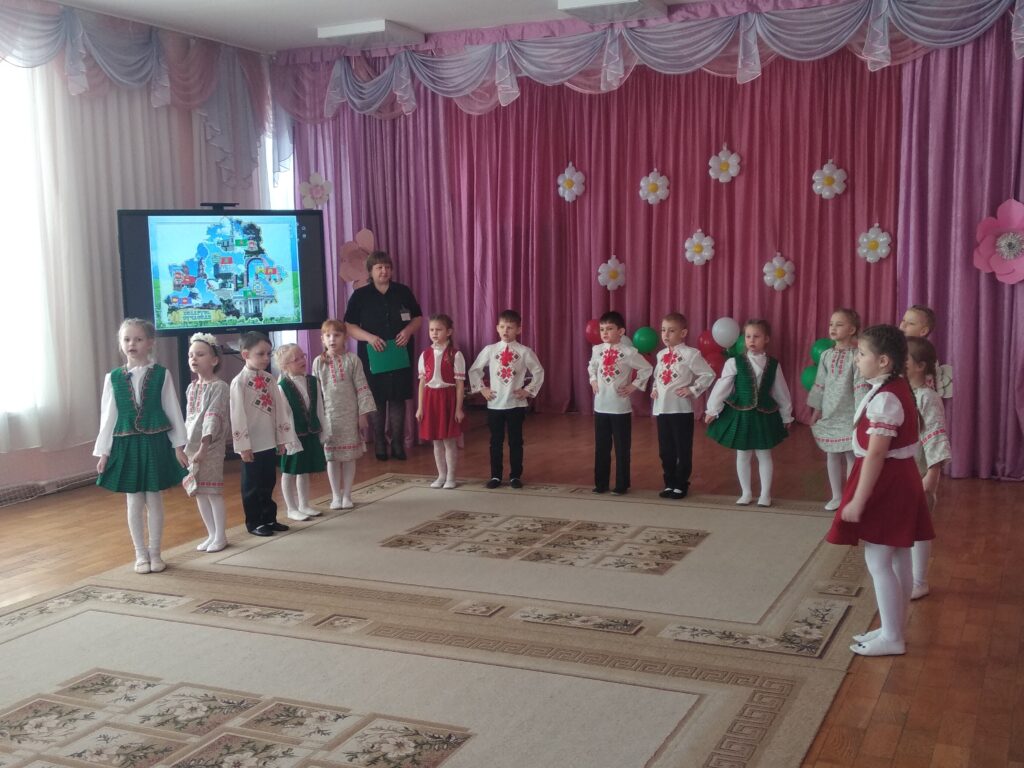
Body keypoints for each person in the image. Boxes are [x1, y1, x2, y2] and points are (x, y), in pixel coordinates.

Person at [826, 325, 933, 657]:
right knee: (898, 556)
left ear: (884, 360)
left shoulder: (886, 398)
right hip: (898, 479)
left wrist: (859, 499)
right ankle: (892, 628)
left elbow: (875, 454)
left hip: (888, 483)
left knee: (878, 560)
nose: (856, 360)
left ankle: (892, 636)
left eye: (861, 354)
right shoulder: (892, 388)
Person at [94, 318, 188, 574]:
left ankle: (155, 552)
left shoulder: (161, 374)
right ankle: (140, 553)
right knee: (134, 500)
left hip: (155, 442)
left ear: (150, 343)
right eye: (126, 339)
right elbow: (108, 417)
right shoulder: (113, 378)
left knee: (154, 498)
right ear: (121, 343)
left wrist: (179, 446)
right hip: (126, 444)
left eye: (138, 339)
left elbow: (172, 409)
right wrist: (104, 452)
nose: (131, 344)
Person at [705, 318, 792, 507]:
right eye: (748, 336)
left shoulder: (773, 364)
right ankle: (746, 492)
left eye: (757, 336)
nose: (752, 340)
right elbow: (723, 386)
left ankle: (765, 494)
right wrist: (713, 408)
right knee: (743, 454)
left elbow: (781, 390)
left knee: (764, 454)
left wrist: (786, 414)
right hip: (741, 414)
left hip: (764, 414)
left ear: (766, 339)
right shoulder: (734, 362)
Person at [344, 251, 423, 461]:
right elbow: (349, 325)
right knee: (377, 398)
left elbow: (417, 318)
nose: (384, 271)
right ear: (370, 271)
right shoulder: (360, 295)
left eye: (387, 267)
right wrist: (369, 338)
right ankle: (379, 441)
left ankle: (397, 442)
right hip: (374, 353)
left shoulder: (403, 291)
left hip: (400, 352)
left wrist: (408, 331)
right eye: (379, 267)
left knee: (398, 398)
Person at [229, 331, 301, 537]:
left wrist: (281, 439)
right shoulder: (239, 382)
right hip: (252, 443)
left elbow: (279, 410)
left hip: (269, 440)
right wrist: (243, 446)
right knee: (252, 485)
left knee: (268, 482)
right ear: (245, 355)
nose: (266, 358)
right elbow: (237, 415)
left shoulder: (270, 379)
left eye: (268, 354)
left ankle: (269, 518)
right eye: (260, 354)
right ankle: (254, 522)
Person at [468, 309, 545, 489]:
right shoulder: (490, 350)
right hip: (495, 404)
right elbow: (475, 370)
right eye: (502, 327)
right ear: (497, 328)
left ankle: (515, 475)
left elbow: (538, 372)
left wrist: (528, 390)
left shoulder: (524, 352)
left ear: (518, 330)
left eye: (510, 327)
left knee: (515, 441)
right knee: (495, 441)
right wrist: (482, 389)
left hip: (515, 404)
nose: (505, 330)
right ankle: (495, 475)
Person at [808, 308, 869, 510]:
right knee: (831, 454)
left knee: (851, 455)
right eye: (831, 324)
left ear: (852, 330)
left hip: (850, 414)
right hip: (830, 413)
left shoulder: (857, 356)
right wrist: (816, 410)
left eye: (839, 324)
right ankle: (836, 495)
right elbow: (820, 383)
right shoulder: (826, 355)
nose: (833, 328)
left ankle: (850, 496)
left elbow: (860, 386)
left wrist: (860, 414)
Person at [905, 336, 952, 601]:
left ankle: (919, 580)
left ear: (921, 366)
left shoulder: (927, 398)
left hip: (919, 472)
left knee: (918, 527)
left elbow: (935, 436)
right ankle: (904, 574)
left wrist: (932, 474)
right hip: (900, 471)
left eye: (905, 359)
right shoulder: (900, 392)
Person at [312, 320, 376, 510]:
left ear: (345, 338)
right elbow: (315, 393)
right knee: (331, 458)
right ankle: (335, 495)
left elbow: (362, 387)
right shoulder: (318, 362)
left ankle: (347, 494)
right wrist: (317, 418)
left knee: (348, 457)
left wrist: (362, 414)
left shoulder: (353, 360)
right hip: (329, 418)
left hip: (350, 416)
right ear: (322, 339)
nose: (332, 339)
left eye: (337, 335)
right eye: (328, 335)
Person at [650, 312, 715, 499]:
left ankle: (681, 484)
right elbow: (657, 376)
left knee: (682, 449)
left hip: (680, 410)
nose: (666, 334)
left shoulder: (691, 354)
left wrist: (692, 389)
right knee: (665, 450)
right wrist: (654, 389)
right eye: (663, 330)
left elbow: (708, 374)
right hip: (662, 409)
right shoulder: (661, 355)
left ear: (683, 333)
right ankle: (669, 482)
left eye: (671, 331)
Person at [588, 311, 653, 495]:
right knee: (601, 447)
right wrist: (593, 380)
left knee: (622, 447)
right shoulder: (597, 350)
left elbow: (647, 368)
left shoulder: (628, 352)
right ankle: (601, 483)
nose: (605, 333)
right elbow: (592, 366)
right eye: (602, 329)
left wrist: (633, 386)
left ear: (621, 331)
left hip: (620, 408)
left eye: (609, 329)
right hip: (601, 406)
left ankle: (622, 484)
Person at [183, 332, 229, 553]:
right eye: (191, 355)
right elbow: (189, 419)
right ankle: (211, 534)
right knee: (199, 491)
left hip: (210, 446)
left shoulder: (219, 386)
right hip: (192, 446)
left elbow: (213, 417)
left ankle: (221, 536)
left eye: (200, 354)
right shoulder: (191, 388)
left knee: (212, 490)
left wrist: (203, 447)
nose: (194, 358)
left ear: (214, 360)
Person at [275, 343, 328, 521]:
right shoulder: (282, 386)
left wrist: (323, 431)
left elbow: (319, 408)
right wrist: (289, 440)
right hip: (293, 436)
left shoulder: (313, 381)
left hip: (310, 432)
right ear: (285, 366)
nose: (301, 360)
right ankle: (291, 508)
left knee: (304, 470)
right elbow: (284, 416)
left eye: (302, 356)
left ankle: (304, 504)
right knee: (289, 471)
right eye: (295, 359)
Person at [416, 314, 466, 489]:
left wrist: (458, 408)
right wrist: (420, 408)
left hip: (447, 399)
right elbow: (422, 383)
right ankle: (441, 475)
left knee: (448, 440)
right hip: (430, 399)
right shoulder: (425, 354)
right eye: (431, 330)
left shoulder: (455, 355)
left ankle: (451, 476)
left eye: (439, 329)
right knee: (436, 441)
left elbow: (460, 385)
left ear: (449, 332)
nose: (434, 333)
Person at [899, 303, 952, 397]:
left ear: (923, 331)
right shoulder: (896, 348)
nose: (903, 325)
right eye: (903, 320)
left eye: (911, 323)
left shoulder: (925, 354)